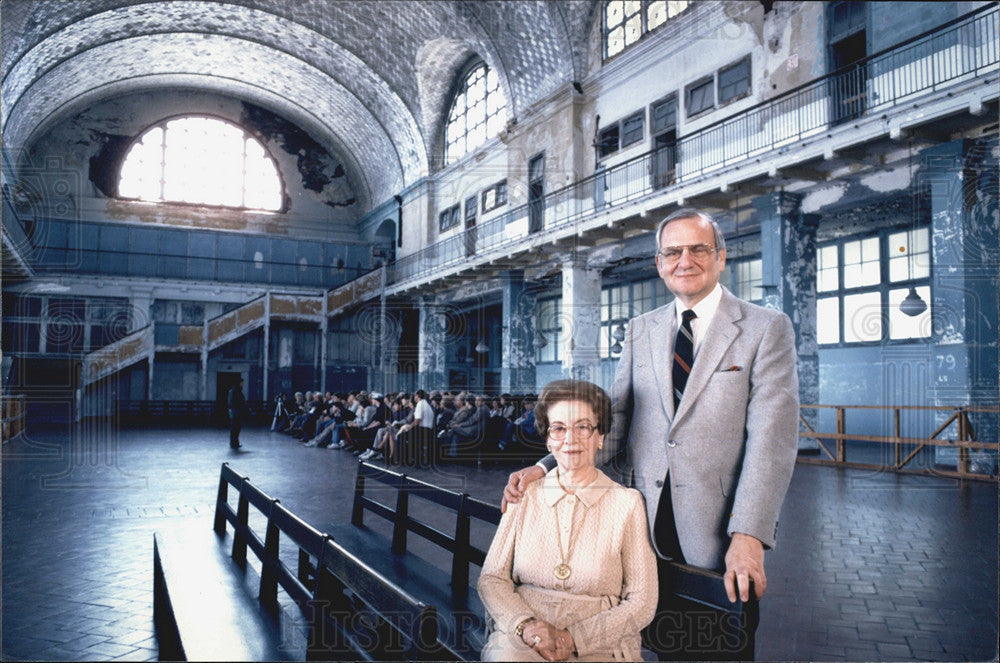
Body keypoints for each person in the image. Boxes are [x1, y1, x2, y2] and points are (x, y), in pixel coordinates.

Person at [503, 209, 799, 656]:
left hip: (718, 539)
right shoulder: (641, 330)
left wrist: (749, 535)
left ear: (721, 258)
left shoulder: (764, 328)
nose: (686, 260)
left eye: (699, 249)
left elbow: (771, 442)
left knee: (715, 651)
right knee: (647, 646)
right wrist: (546, 467)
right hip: (640, 538)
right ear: (659, 264)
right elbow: (615, 423)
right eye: (673, 252)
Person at [478, 379, 657, 662]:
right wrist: (526, 626)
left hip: (601, 642)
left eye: (583, 427)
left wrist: (574, 638)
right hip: (526, 639)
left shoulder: (627, 503)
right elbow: (491, 578)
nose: (570, 440)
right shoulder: (524, 494)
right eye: (559, 428)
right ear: (548, 439)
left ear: (600, 437)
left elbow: (642, 601)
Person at [227, 377, 248, 449]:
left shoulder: (238, 391)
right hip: (236, 413)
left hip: (238, 413)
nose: (242, 384)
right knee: (234, 429)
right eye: (241, 383)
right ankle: (233, 443)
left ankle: (235, 442)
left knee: (237, 428)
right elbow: (232, 403)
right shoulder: (233, 391)